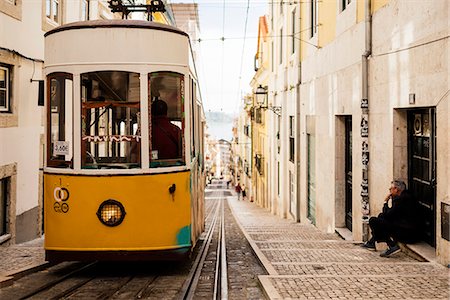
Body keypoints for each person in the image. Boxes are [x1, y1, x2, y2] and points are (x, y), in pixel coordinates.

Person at [362, 180, 421, 257]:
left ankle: (390, 244)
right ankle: (373, 242)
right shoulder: (404, 197)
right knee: (380, 217)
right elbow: (387, 215)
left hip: (408, 233)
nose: (389, 190)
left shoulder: (402, 200)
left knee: (373, 221)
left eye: (391, 188)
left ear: (396, 189)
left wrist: (385, 202)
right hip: (406, 228)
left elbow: (388, 215)